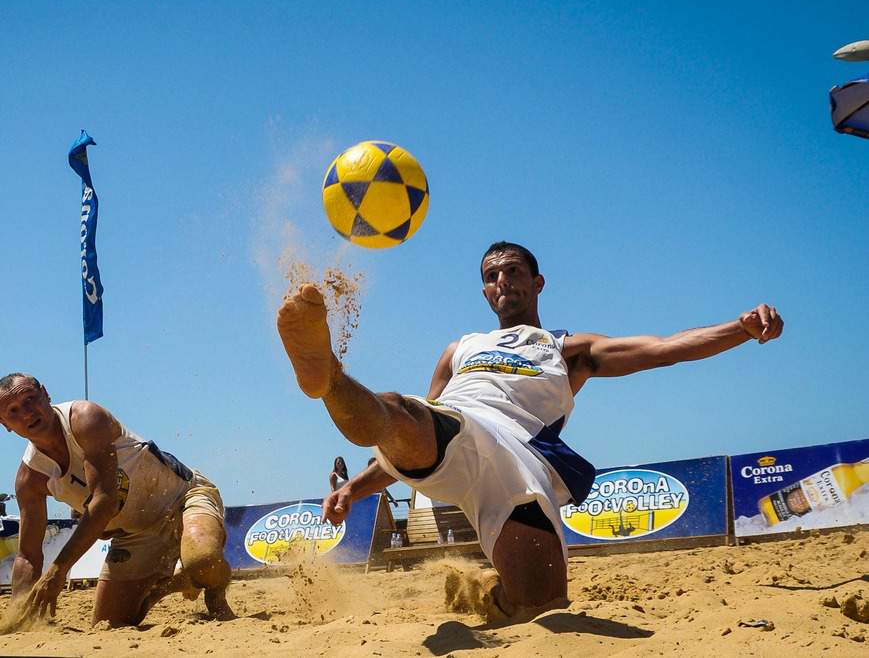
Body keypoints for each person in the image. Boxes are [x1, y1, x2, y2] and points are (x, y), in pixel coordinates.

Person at [276, 241, 783, 618]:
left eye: (514, 272)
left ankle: (485, 594)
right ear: (484, 290)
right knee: (399, 410)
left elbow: (665, 347)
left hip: (521, 464)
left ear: (538, 283)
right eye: (493, 276)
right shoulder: (461, 348)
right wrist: (355, 489)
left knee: (540, 608)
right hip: (459, 430)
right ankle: (328, 376)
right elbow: (407, 439)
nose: (504, 282)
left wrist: (738, 329)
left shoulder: (567, 348)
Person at [0, 373, 233, 626]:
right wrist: (19, 614)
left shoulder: (84, 418)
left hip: (182, 499)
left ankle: (214, 591)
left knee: (203, 561)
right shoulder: (29, 478)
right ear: (4, 424)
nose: (26, 413)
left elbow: (105, 502)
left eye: (30, 400)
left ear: (46, 394)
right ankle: (169, 583)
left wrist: (57, 571)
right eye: (13, 411)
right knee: (108, 623)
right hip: (136, 535)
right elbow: (27, 556)